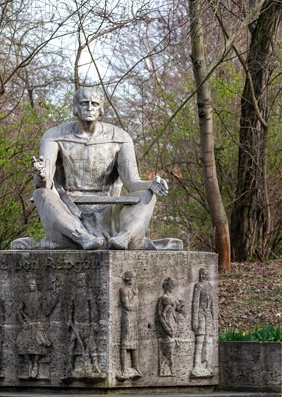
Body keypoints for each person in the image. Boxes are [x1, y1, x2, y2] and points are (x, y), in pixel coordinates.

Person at [31, 87, 177, 250]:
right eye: (84, 103)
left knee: (147, 195)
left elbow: (132, 182)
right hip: (68, 212)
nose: (89, 107)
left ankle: (124, 237)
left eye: (94, 104)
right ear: (75, 108)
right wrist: (41, 175)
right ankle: (82, 237)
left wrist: (150, 185)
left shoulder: (120, 137)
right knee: (41, 193)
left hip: (108, 213)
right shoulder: (53, 136)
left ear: (101, 109)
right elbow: (44, 181)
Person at [16, 278, 56, 379]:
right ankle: (29, 363)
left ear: (36, 284)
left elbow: (46, 311)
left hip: (37, 323)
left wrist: (53, 300)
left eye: (33, 284)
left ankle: (35, 364)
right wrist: (22, 322)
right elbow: (19, 311)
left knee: (39, 345)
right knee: (22, 345)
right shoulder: (25, 296)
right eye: (30, 284)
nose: (31, 286)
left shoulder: (41, 295)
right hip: (28, 323)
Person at [117, 271, 142, 380]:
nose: (134, 279)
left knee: (134, 343)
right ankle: (123, 369)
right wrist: (136, 296)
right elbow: (127, 306)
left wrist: (135, 298)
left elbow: (136, 307)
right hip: (127, 317)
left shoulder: (132, 290)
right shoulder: (124, 290)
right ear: (128, 278)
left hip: (133, 317)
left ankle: (135, 367)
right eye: (133, 277)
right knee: (125, 342)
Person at [190, 268, 215, 378]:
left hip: (208, 315)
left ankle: (208, 365)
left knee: (209, 340)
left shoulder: (210, 286)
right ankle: (196, 365)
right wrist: (194, 319)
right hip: (200, 314)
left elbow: (213, 304)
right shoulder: (198, 286)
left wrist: (214, 319)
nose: (205, 276)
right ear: (200, 275)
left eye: (207, 274)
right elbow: (195, 303)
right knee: (200, 339)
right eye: (203, 274)